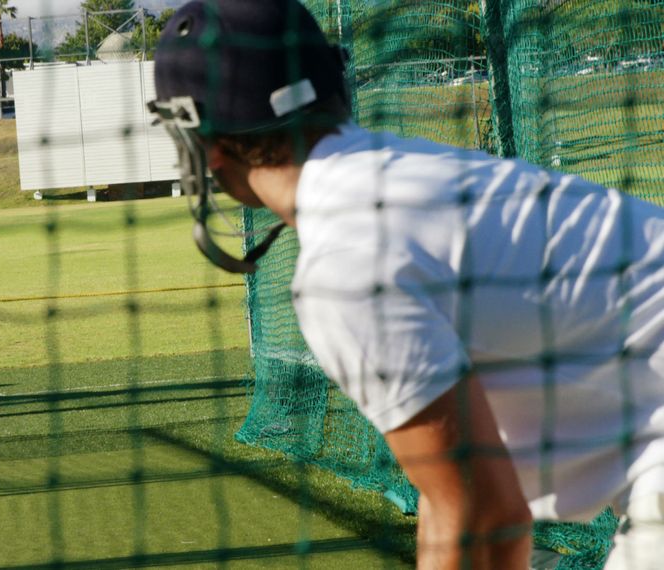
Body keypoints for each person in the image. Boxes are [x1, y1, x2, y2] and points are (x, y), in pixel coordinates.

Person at [148, 2, 664, 569]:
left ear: (208, 145)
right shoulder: (404, 172)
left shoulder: (344, 264)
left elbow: (484, 515)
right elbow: (461, 488)